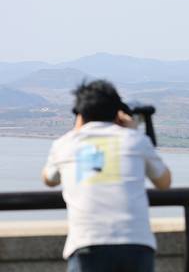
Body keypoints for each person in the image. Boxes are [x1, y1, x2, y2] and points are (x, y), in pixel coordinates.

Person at [42, 80, 172, 272]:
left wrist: (77, 130)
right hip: (136, 244)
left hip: (87, 243)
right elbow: (164, 182)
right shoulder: (135, 141)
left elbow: (49, 179)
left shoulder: (65, 145)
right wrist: (132, 131)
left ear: (79, 113)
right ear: (117, 112)